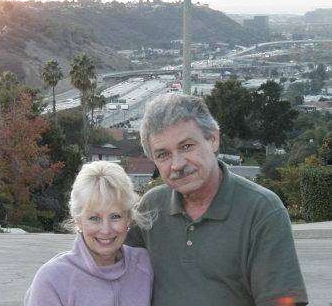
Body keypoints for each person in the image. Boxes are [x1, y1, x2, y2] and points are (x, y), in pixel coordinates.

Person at [126, 92, 308, 306]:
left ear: (213, 139)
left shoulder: (262, 210)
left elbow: (282, 302)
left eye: (186, 146)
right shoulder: (151, 207)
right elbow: (110, 269)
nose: (177, 164)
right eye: (163, 155)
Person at [24, 161, 154, 306]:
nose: (106, 230)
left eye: (115, 216)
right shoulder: (52, 278)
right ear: (79, 221)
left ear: (128, 218)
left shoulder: (144, 265)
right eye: (95, 218)